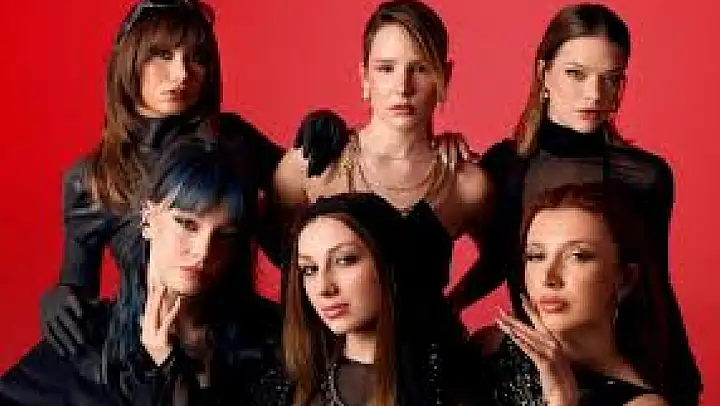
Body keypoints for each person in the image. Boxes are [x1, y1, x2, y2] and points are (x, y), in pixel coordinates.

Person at [448, 4, 700, 403]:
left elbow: (654, 285)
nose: (594, 94)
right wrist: (450, 307)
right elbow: (499, 260)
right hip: (536, 363)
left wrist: (676, 380)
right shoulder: (507, 166)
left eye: (610, 79)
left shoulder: (645, 176)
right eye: (576, 74)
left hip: (618, 367)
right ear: (544, 73)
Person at [1, 140, 286, 406]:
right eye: (186, 224)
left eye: (225, 235)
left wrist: (168, 367)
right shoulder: (87, 337)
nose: (203, 250)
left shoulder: (270, 340)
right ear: (148, 218)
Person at [274, 0, 496, 308]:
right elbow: (266, 236)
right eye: (386, 69)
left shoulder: (467, 184)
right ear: (365, 78)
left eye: (420, 68)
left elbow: (501, 257)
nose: (403, 87)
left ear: (445, 76)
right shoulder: (312, 164)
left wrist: (453, 307)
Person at [475, 183, 669, 406]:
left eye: (578, 256)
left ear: (625, 278)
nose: (549, 277)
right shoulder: (492, 348)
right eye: (536, 256)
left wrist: (561, 400)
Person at [283, 193, 473, 406]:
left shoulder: (453, 381)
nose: (323, 288)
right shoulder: (291, 386)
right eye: (309, 269)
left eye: (345, 260)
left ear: (388, 264)